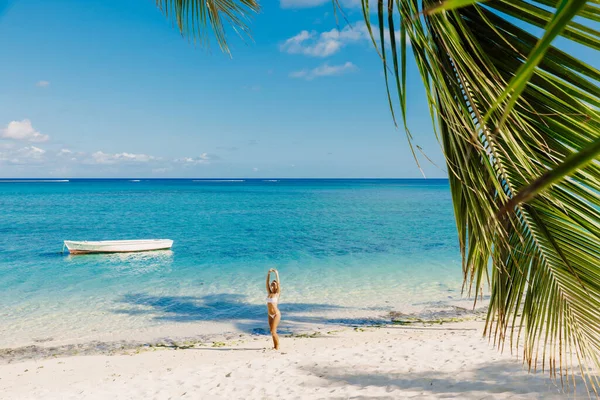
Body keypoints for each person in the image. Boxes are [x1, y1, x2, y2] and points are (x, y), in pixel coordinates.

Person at [266, 268, 281, 350]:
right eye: (272, 284)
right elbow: (267, 283)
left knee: (273, 331)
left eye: (274, 284)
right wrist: (268, 274)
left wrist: (276, 273)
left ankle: (277, 347)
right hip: (269, 314)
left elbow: (278, 283)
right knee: (272, 332)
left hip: (276, 314)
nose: (273, 284)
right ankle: (275, 346)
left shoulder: (277, 293)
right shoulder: (269, 293)